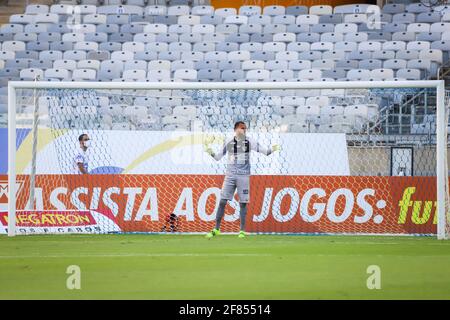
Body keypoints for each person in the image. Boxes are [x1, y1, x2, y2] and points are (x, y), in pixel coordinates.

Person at [203, 121, 280, 239]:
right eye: (241, 128)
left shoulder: (250, 141)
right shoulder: (228, 140)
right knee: (223, 201)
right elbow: (218, 157)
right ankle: (216, 229)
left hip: (244, 176)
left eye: (245, 128)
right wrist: (210, 152)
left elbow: (266, 152)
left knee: (243, 203)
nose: (244, 130)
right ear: (235, 129)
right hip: (230, 175)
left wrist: (274, 148)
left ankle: (242, 231)